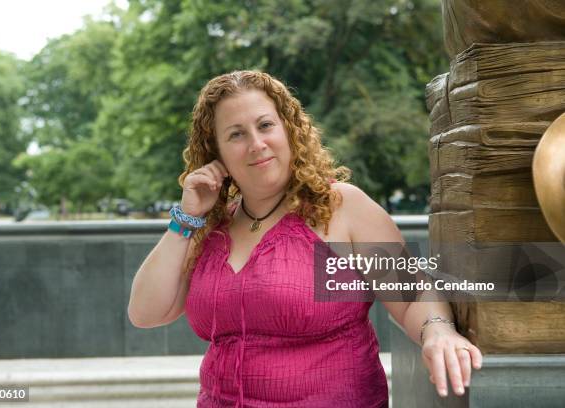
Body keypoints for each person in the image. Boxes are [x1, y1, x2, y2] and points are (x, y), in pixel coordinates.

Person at [128, 70, 483, 407]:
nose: (256, 144)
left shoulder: (340, 207)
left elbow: (413, 293)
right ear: (216, 154)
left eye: (266, 125)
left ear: (289, 131)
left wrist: (438, 331)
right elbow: (146, 313)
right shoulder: (209, 227)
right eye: (236, 134)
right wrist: (186, 219)